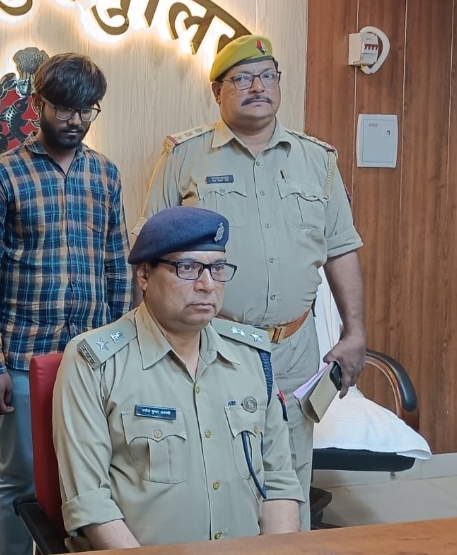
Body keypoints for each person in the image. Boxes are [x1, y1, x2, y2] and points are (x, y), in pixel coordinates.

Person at [140, 34, 365, 527]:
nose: (257, 87)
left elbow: (341, 249)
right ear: (217, 91)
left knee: (290, 472)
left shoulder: (318, 160)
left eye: (267, 76)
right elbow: (149, 256)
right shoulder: (184, 156)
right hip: (212, 343)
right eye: (241, 78)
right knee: (218, 473)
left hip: (294, 348)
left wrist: (354, 333)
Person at [54, 206, 303, 550]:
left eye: (217, 268)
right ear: (144, 274)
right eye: (187, 268)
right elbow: (91, 504)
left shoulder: (252, 357)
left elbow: (278, 482)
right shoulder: (94, 362)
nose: (207, 285)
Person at [0, 52, 131, 555]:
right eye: (64, 108)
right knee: (20, 479)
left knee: (87, 476)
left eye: (87, 110)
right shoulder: (0, 177)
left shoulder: (105, 175)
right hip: (22, 355)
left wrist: (120, 352)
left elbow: (118, 267)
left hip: (92, 358)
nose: (76, 120)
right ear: (38, 103)